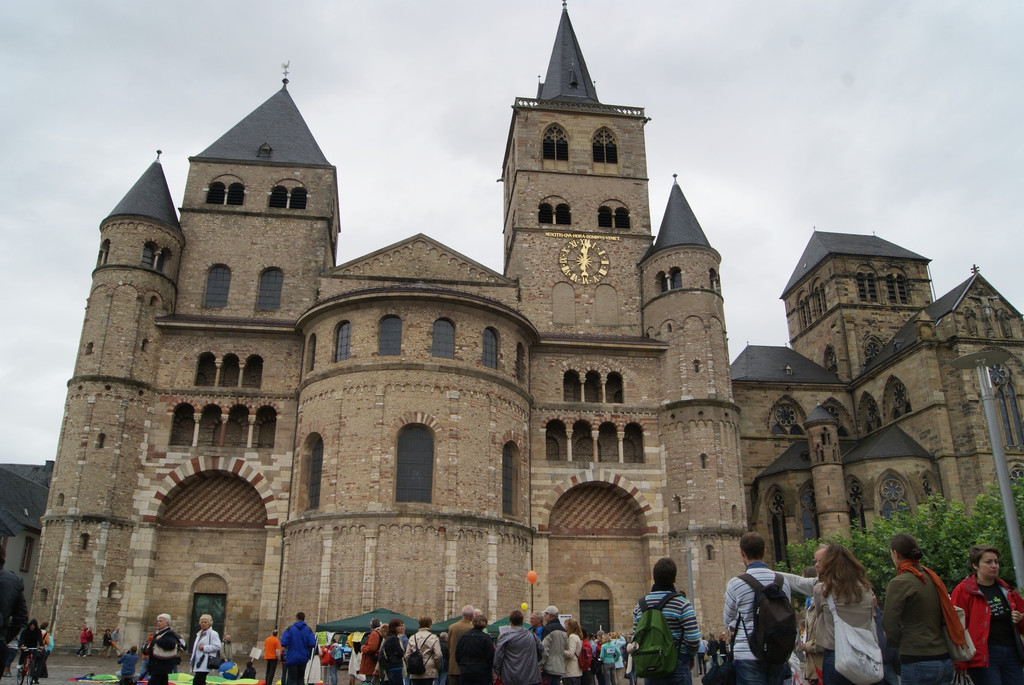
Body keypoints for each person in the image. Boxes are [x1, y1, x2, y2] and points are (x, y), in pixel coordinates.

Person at [782, 544, 876, 685]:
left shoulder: (822, 590)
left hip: (835, 653)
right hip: (864, 653)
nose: (817, 565)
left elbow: (819, 619)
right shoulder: (867, 590)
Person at [882, 533, 963, 685]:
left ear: (895, 553)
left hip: (917, 659)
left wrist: (903, 640)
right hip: (944, 658)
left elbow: (888, 623)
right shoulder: (932, 577)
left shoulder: (900, 582)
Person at [722, 532, 792, 685]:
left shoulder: (736, 583)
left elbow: (727, 620)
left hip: (747, 653)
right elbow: (787, 613)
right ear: (764, 551)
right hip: (776, 650)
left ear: (742, 553)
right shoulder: (782, 581)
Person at [951, 544, 1024, 685]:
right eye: (988, 562)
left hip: (1011, 652)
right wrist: (960, 662)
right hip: (983, 656)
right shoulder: (964, 590)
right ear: (975, 565)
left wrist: (1020, 619)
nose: (994, 566)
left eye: (996, 562)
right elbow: (956, 627)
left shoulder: (1006, 590)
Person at [633, 557, 701, 685]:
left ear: (654, 577)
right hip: (677, 665)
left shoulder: (640, 606)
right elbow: (693, 639)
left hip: (651, 666)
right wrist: (687, 657)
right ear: (674, 579)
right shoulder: (682, 604)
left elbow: (635, 640)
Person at [493, 609, 544, 685]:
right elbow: (541, 649)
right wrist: (534, 661)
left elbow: (498, 656)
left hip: (510, 676)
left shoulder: (505, 636)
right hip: (530, 676)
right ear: (522, 621)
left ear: (511, 621)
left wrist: (496, 671)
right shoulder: (531, 635)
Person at [143, 613, 186, 685]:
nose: (158, 623)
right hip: (157, 665)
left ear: (167, 623)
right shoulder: (159, 632)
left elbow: (171, 645)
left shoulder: (169, 633)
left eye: (161, 621)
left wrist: (159, 640)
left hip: (161, 665)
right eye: (158, 621)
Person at [454, 614, 493, 685]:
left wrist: (462, 665)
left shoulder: (463, 637)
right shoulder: (486, 638)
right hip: (481, 672)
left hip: (466, 670)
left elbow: (458, 654)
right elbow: (490, 656)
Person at [280, 611, 318, 685]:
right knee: (301, 678)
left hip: (292, 657)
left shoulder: (290, 629)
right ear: (304, 619)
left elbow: (283, 642)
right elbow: (312, 643)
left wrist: (290, 644)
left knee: (292, 679)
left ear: (296, 618)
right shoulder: (308, 630)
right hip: (303, 658)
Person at [406, 617, 443, 685]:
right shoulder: (433, 637)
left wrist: (411, 664)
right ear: (429, 624)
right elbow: (438, 655)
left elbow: (407, 655)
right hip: (429, 668)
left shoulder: (412, 637)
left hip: (415, 667)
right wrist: (437, 666)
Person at [190, 613, 223, 685]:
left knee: (197, 680)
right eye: (202, 622)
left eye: (205, 622)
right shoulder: (199, 633)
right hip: (198, 661)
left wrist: (204, 648)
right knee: (200, 680)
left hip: (205, 661)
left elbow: (217, 646)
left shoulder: (213, 633)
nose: (203, 624)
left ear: (209, 623)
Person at [446, 606, 475, 685]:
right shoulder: (472, 628)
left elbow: (449, 645)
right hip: (468, 667)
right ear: (471, 616)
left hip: (453, 666)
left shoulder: (452, 627)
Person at [541, 606, 569, 685]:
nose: (545, 616)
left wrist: (540, 665)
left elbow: (544, 649)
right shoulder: (564, 631)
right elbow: (566, 647)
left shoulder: (547, 629)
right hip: (559, 667)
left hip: (549, 667)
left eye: (546, 614)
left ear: (550, 616)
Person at [379, 619, 407, 685]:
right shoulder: (393, 638)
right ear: (394, 627)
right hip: (395, 665)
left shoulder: (389, 637)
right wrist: (398, 653)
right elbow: (401, 653)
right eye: (399, 626)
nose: (401, 628)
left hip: (390, 665)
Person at [17, 619, 44, 684]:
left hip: (33, 646)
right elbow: (22, 639)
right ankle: (20, 665)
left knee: (34, 658)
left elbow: (40, 638)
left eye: (33, 626)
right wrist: (22, 645)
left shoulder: (37, 631)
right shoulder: (25, 631)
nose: (32, 627)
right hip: (26, 645)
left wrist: (41, 645)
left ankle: (31, 668)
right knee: (23, 654)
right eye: (31, 625)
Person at [563, 618, 586, 685]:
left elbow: (570, 653)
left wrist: (561, 650)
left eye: (566, 625)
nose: (564, 626)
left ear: (570, 626)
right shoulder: (577, 636)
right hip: (575, 670)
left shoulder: (572, 637)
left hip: (571, 670)